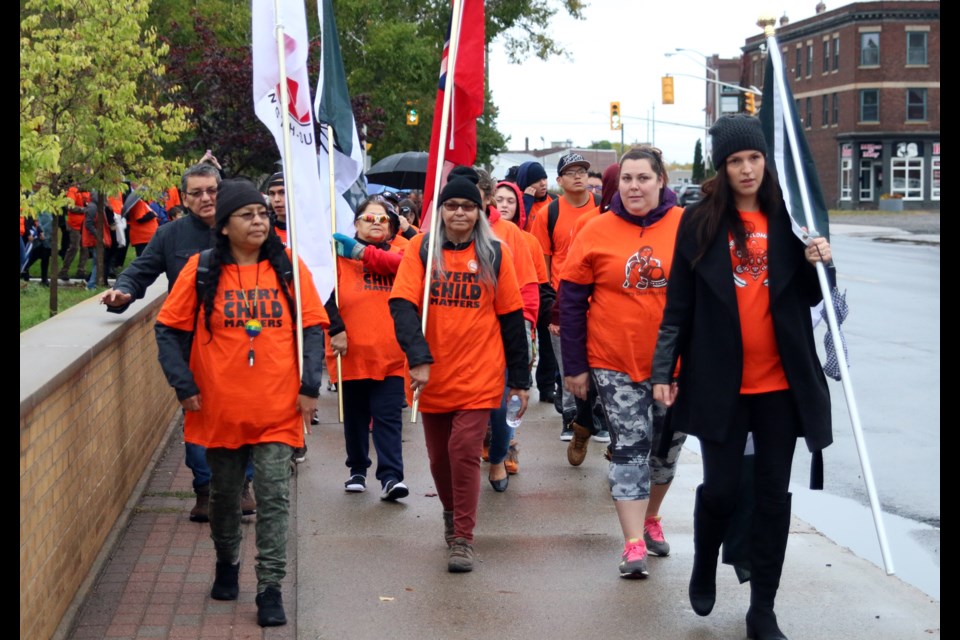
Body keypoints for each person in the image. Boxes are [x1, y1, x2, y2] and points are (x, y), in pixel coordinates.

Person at [651, 114, 832, 640]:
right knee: (723, 489)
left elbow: (814, 298)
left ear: (766, 161)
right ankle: (705, 559)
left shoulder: (791, 219)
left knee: (774, 495)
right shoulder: (700, 222)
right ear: (722, 167)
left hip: (781, 384)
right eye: (736, 161)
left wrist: (821, 259)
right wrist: (665, 370)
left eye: (754, 158)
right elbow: (678, 305)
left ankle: (763, 609)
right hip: (720, 382)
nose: (747, 169)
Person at [155, 179, 328, 627]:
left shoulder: (288, 267)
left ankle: (270, 587)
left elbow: (312, 328)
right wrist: (182, 383)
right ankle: (226, 563)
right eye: (248, 215)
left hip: (277, 409)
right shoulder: (202, 269)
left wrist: (310, 386)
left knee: (273, 498)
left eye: (263, 214)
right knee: (225, 497)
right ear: (225, 226)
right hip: (220, 408)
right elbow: (168, 329)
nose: (259, 220)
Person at [100, 163, 255, 522]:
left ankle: (242, 486)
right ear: (184, 198)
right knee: (197, 416)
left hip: (241, 343)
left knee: (242, 417)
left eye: (212, 191)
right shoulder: (171, 235)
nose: (206, 198)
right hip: (192, 347)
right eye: (196, 193)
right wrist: (123, 291)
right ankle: (206, 491)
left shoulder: (246, 230)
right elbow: (142, 269)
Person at [389, 177, 530, 573]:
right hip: (430, 374)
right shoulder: (421, 249)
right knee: (438, 458)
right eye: (451, 206)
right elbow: (401, 305)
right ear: (441, 211)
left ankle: (464, 538)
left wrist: (520, 378)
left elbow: (511, 318)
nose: (459, 214)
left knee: (464, 451)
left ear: (479, 212)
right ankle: (451, 516)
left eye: (466, 207)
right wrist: (417, 356)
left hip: (480, 375)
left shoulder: (496, 253)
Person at [560, 146, 687, 579]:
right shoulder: (594, 231)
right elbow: (572, 303)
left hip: (675, 366)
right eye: (628, 179)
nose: (635, 186)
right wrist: (574, 366)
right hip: (613, 360)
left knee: (665, 450)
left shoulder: (686, 227)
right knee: (630, 449)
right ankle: (633, 543)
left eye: (644, 178)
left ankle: (651, 516)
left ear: (661, 181)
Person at [325, 196, 409, 500]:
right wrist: (336, 329)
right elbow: (324, 296)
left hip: (391, 354)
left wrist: (361, 253)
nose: (376, 223)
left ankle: (391, 477)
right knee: (356, 415)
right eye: (369, 218)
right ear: (355, 224)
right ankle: (357, 469)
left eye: (383, 219)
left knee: (388, 417)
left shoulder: (403, 253)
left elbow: (405, 269)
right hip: (351, 351)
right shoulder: (337, 258)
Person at [531, 153, 600, 440]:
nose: (578, 176)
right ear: (559, 180)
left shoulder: (602, 208)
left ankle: (596, 416)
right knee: (567, 364)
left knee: (598, 365)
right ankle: (571, 419)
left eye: (582, 170)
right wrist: (549, 305)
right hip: (563, 302)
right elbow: (542, 262)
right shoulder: (549, 213)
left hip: (597, 302)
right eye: (570, 172)